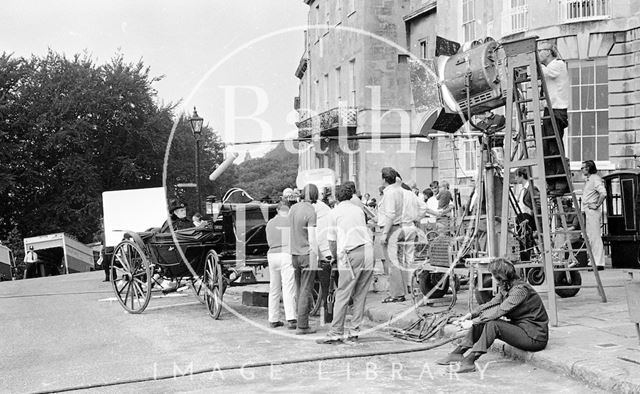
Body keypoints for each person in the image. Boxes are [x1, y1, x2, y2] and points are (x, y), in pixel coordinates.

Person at [436, 258, 549, 373]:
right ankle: (458, 353)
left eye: (494, 276)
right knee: (483, 322)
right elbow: (491, 304)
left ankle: (469, 362)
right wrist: (470, 315)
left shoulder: (519, 290)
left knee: (493, 325)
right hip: (522, 329)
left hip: (534, 337)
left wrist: (473, 322)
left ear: (501, 276)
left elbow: (499, 311)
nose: (493, 278)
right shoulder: (507, 287)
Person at [317, 184, 375, 344]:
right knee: (360, 294)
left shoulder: (334, 213)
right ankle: (354, 331)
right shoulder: (358, 210)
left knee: (342, 293)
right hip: (368, 250)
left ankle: (335, 332)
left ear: (336, 197)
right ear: (351, 195)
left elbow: (332, 240)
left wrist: (334, 257)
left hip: (352, 253)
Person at [378, 167, 421, 303]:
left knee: (392, 263)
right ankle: (403, 290)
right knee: (400, 260)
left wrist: (384, 233)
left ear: (384, 179)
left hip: (391, 228)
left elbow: (390, 214)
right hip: (400, 226)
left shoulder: (389, 193)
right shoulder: (399, 191)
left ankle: (396, 293)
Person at [538, 42, 570, 196]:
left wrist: (533, 61)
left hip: (557, 110)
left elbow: (544, 72)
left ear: (549, 52)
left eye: (541, 51)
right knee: (547, 147)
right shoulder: (548, 68)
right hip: (550, 110)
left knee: (555, 146)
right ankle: (552, 181)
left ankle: (562, 182)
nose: (538, 53)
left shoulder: (558, 65)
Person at [288, 183, 319, 334]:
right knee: (306, 290)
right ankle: (303, 325)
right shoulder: (311, 211)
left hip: (294, 254)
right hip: (307, 254)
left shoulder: (293, 208)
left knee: (299, 289)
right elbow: (312, 238)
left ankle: (298, 319)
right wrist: (318, 255)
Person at [265, 202, 297, 329]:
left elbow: (268, 241)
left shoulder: (270, 223)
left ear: (277, 210)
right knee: (288, 287)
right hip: (285, 254)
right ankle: (291, 318)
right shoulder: (290, 221)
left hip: (272, 255)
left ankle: (273, 319)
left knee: (274, 288)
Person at [313, 187, 334, 323]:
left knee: (326, 288)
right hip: (331, 253)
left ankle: (327, 317)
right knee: (332, 287)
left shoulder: (315, 210)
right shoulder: (326, 210)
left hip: (323, 255)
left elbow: (316, 238)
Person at [581, 160, 606, 270]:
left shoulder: (595, 179)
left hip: (592, 211)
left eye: (583, 168)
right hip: (588, 210)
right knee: (591, 236)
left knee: (595, 236)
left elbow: (603, 193)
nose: (581, 170)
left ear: (588, 168)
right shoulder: (589, 179)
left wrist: (597, 204)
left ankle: (598, 262)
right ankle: (593, 260)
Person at [515, 168, 539, 263]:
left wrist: (532, 217)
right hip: (521, 217)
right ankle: (525, 262)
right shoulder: (523, 189)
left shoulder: (531, 188)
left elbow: (538, 204)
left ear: (522, 176)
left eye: (517, 175)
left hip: (526, 218)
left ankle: (526, 263)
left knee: (526, 243)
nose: (515, 178)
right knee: (522, 242)